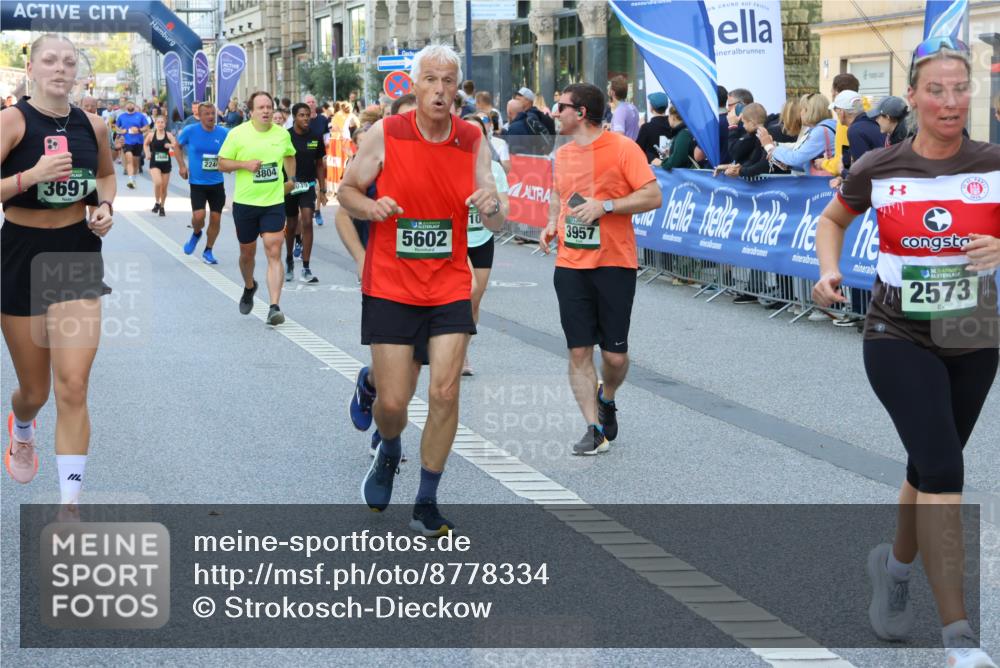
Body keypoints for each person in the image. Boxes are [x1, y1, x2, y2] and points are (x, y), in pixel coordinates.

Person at [812, 37, 1000, 668]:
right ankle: (958, 640)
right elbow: (833, 220)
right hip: (897, 331)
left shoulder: (995, 162)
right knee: (946, 471)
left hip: (974, 331)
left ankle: (892, 569)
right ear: (914, 97)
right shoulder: (879, 166)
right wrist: (828, 271)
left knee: (927, 467)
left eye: (960, 88)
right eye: (936, 90)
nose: (951, 101)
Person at [338, 44, 503, 534]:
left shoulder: (472, 138)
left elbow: (496, 220)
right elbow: (346, 192)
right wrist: (370, 209)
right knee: (394, 403)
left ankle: (426, 499)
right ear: (415, 85)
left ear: (457, 89)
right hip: (391, 283)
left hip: (450, 282)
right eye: (430, 79)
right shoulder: (386, 132)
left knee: (446, 392)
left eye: (448, 81)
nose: (439, 89)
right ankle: (389, 449)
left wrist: (490, 203)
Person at [0, 34, 116, 516]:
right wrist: (32, 176)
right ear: (31, 68)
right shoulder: (11, 121)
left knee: (73, 385)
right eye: (50, 60)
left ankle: (70, 505)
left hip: (76, 253)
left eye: (69, 62)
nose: (60, 68)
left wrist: (105, 206)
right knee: (36, 391)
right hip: (21, 254)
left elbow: (105, 175)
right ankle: (22, 427)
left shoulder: (94, 124)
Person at [539, 83, 662, 455]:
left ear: (581, 113)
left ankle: (607, 397)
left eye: (560, 106)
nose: (555, 112)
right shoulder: (562, 154)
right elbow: (559, 193)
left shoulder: (623, 148)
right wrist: (549, 223)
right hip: (571, 264)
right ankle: (593, 428)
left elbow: (653, 195)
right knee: (579, 351)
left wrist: (605, 207)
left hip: (614, 262)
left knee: (614, 357)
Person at [217, 91, 297, 325]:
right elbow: (222, 163)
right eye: (261, 107)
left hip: (273, 202)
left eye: (269, 107)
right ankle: (250, 286)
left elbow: (290, 155)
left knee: (274, 250)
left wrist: (291, 178)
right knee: (247, 253)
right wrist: (244, 164)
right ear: (250, 111)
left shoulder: (282, 134)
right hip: (245, 203)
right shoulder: (237, 134)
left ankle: (274, 306)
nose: (266, 111)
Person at [461, 114, 510, 375]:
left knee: (475, 300)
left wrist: (492, 206)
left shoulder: (494, 169)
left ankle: (463, 348)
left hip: (481, 237)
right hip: (455, 239)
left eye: (477, 134)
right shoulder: (450, 164)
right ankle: (456, 352)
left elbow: (505, 206)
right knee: (469, 290)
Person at [175, 101, 228, 264]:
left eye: (213, 113)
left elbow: (235, 148)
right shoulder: (190, 131)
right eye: (207, 114)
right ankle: (196, 233)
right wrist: (182, 166)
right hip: (197, 183)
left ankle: (208, 250)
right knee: (198, 217)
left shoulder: (224, 132)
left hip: (217, 182)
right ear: (200, 116)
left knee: (216, 218)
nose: (211, 116)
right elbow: (177, 146)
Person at [283, 102, 327, 283]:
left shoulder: (315, 137)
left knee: (307, 220)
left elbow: (319, 165)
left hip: (308, 185)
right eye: (301, 115)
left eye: (308, 115)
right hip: (291, 186)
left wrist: (323, 189)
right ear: (294, 117)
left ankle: (306, 267)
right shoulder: (286, 137)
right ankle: (289, 260)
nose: (306, 118)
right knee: (292, 224)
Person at [759, 93, 837, 175]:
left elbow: (796, 158)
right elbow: (806, 160)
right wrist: (789, 165)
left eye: (803, 109)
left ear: (810, 111)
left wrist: (770, 147)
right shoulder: (823, 128)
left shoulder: (820, 132)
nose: (801, 113)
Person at [818, 72, 861, 177]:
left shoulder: (845, 121)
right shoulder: (866, 110)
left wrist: (823, 163)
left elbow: (843, 161)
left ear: (835, 93)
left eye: (832, 90)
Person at [143, 116, 177, 217]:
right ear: (156, 124)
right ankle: (157, 202)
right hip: (154, 163)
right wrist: (147, 153)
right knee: (158, 182)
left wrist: (169, 146)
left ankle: (162, 206)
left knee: (164, 188)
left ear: (165, 124)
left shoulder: (169, 135)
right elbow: (145, 144)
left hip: (166, 163)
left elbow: (176, 145)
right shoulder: (151, 135)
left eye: (162, 122)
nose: (160, 124)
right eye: (158, 122)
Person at [115, 98, 148, 189]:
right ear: (125, 106)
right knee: (129, 159)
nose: (130, 105)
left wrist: (139, 130)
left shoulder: (140, 116)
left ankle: (133, 178)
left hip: (138, 141)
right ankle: (130, 179)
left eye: (131, 104)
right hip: (126, 141)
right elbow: (116, 127)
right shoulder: (122, 116)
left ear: (134, 106)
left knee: (136, 163)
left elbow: (146, 127)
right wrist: (121, 130)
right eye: (128, 104)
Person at [635, 91, 671, 164]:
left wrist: (641, 128)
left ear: (651, 108)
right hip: (673, 169)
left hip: (653, 172)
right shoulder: (674, 126)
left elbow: (637, 151)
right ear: (666, 107)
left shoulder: (646, 128)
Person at [608, 75, 639, 141]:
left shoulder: (620, 112)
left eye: (609, 88)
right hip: (632, 148)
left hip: (623, 150)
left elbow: (619, 137)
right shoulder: (633, 108)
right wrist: (611, 126)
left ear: (612, 92)